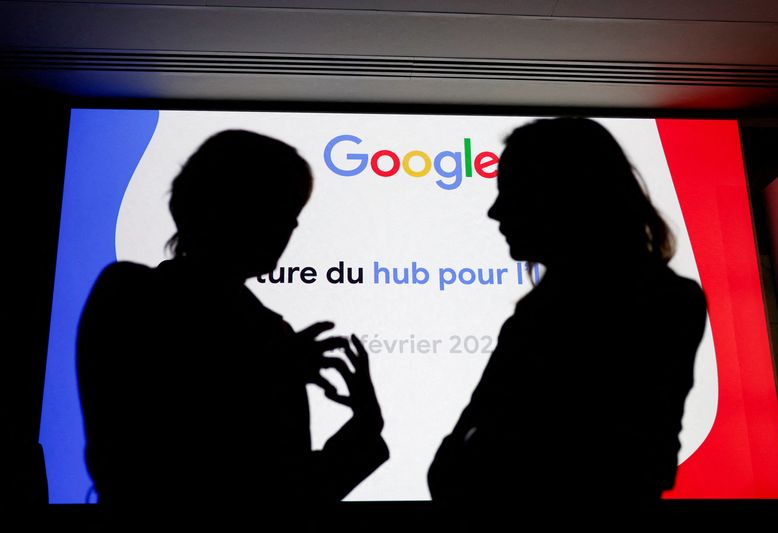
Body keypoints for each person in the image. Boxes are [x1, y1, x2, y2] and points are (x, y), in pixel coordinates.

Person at [77, 130, 388, 518]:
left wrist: (365, 428)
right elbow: (148, 458)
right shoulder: (131, 294)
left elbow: (287, 495)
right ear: (219, 207)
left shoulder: (272, 334)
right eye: (277, 206)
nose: (291, 225)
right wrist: (271, 372)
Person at [428, 118, 707, 517]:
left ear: (566, 197)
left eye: (513, 193)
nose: (495, 211)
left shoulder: (555, 318)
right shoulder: (668, 301)